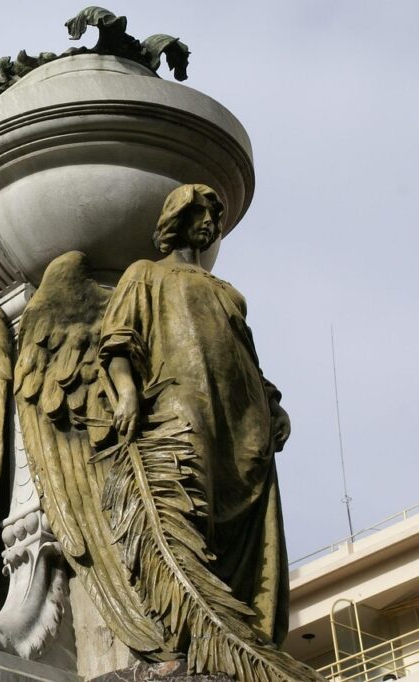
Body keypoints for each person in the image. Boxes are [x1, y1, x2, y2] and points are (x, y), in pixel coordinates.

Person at [99, 183, 293, 644]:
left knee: (249, 528)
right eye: (200, 213)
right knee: (188, 504)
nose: (210, 222)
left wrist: (274, 404)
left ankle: (245, 631)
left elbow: (246, 356)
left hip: (243, 420)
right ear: (177, 218)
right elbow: (118, 341)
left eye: (214, 216)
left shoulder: (227, 292)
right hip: (181, 403)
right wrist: (126, 392)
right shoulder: (144, 274)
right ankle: (191, 625)